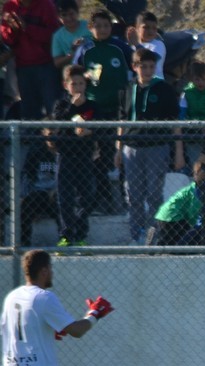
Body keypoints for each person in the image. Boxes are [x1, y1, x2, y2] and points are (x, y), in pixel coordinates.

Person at [117, 47, 185, 246]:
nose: (147, 71)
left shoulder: (164, 89)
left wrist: (179, 152)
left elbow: (175, 122)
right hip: (131, 147)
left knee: (154, 194)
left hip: (157, 146)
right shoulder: (127, 89)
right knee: (134, 194)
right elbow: (122, 120)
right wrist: (118, 149)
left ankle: (154, 235)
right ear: (134, 67)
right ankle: (137, 235)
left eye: (151, 67)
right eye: (143, 67)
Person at [76, 10, 131, 214]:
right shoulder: (85, 49)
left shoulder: (120, 47)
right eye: (98, 26)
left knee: (122, 152)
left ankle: (126, 198)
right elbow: (74, 76)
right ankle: (102, 199)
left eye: (106, 25)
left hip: (120, 109)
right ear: (90, 28)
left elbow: (137, 66)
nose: (102, 29)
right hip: (95, 109)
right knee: (99, 154)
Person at [47, 64, 96, 247]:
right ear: (66, 85)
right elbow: (59, 123)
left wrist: (90, 132)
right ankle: (67, 237)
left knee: (87, 197)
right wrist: (73, 107)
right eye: (73, 84)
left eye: (81, 83)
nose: (78, 87)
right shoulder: (61, 105)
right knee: (65, 198)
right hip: (65, 156)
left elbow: (101, 128)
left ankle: (81, 235)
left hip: (85, 157)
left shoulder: (92, 105)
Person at [1, 0, 61, 119]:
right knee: (29, 112)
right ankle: (32, 132)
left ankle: (56, 131)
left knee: (54, 108)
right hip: (23, 66)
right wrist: (12, 29)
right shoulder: (10, 6)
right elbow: (7, 40)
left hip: (47, 65)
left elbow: (54, 35)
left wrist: (27, 28)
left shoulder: (46, 5)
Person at [125, 11, 166, 80]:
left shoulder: (158, 44)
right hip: (137, 84)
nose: (150, 31)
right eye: (146, 27)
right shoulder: (132, 46)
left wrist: (136, 44)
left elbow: (151, 58)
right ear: (137, 28)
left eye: (154, 28)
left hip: (155, 83)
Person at [51, 0, 90, 72]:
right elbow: (57, 62)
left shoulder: (89, 26)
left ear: (77, 12)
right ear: (58, 17)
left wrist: (87, 44)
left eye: (71, 14)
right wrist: (73, 54)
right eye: (64, 15)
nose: (68, 18)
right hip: (75, 72)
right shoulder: (57, 36)